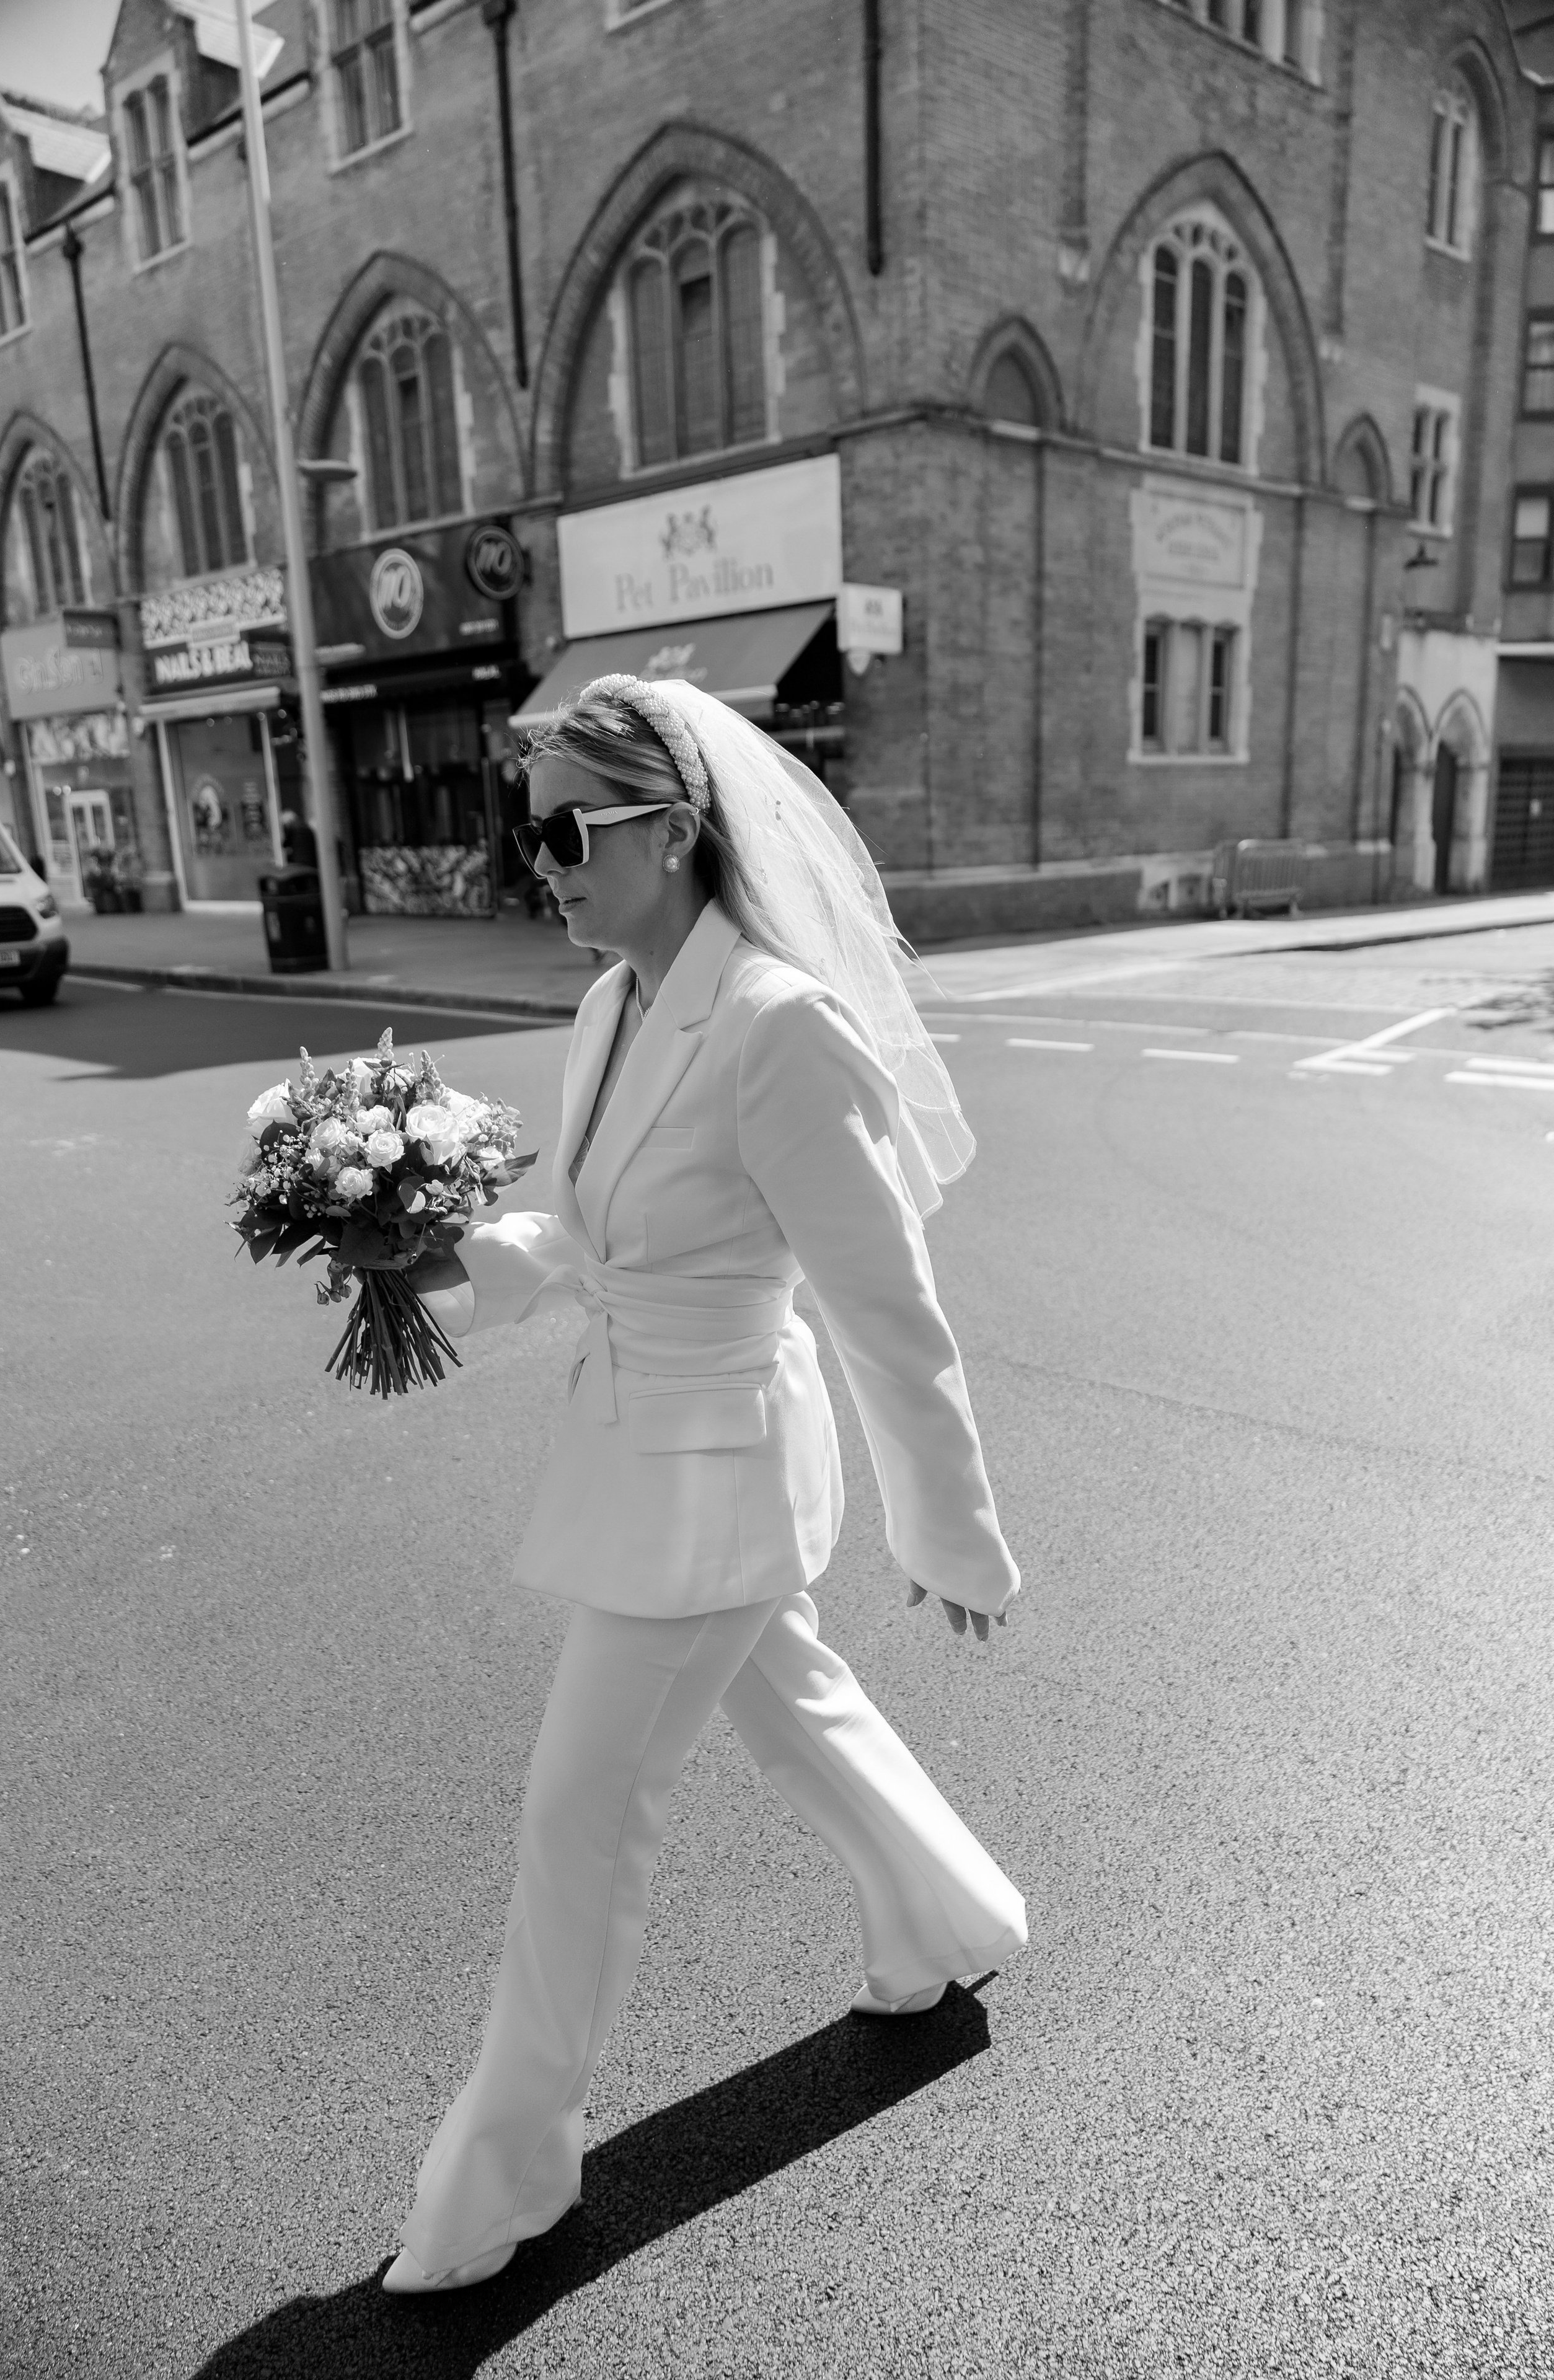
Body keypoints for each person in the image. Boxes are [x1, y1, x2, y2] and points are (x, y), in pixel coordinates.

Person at [378, 676, 1027, 2295]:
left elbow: (886, 1302)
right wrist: (428, 1267)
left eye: (571, 829)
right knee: (793, 1702)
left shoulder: (779, 1027)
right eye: (525, 832)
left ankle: (510, 2168)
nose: (543, 863)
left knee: (577, 1808)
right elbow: (580, 1229)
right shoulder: (612, 1004)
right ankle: (948, 1919)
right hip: (640, 1453)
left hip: (723, 1475)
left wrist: (946, 1529)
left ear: (673, 832)